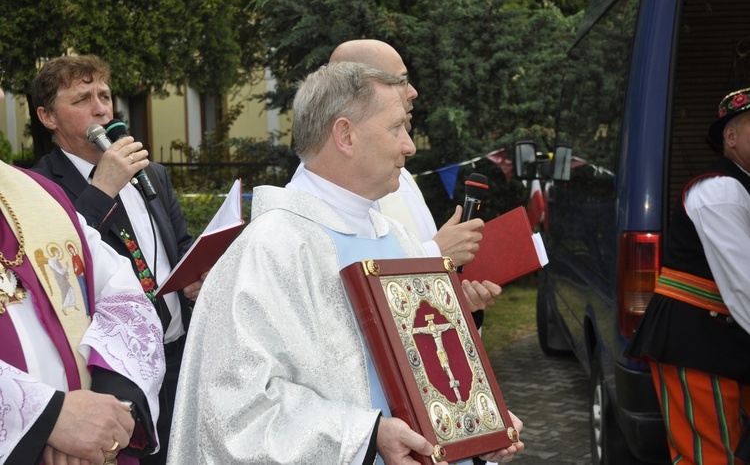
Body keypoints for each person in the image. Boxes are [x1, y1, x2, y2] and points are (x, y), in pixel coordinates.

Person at [168, 62, 524, 464]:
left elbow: (431, 368)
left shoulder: (398, 238)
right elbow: (234, 417)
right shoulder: (270, 249)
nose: (409, 146)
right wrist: (366, 437)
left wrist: (477, 429)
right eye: (396, 129)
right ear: (345, 135)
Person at [29, 55, 204, 465]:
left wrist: (198, 277)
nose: (101, 108)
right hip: (114, 375)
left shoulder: (152, 175)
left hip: (180, 357)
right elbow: (58, 271)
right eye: (83, 98)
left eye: (105, 96)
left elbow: (179, 248)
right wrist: (103, 187)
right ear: (47, 116)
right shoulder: (39, 187)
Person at [0, 80, 165, 463]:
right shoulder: (54, 179)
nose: (101, 109)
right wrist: (45, 418)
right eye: (82, 99)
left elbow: (123, 294)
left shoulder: (38, 195)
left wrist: (109, 406)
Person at [326, 39, 502, 321]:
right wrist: (437, 253)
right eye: (401, 81)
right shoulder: (340, 186)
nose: (413, 92)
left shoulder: (400, 173)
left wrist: (459, 300)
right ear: (361, 89)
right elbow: (348, 300)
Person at [625, 87, 750, 464]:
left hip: (726, 343)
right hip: (697, 340)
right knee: (708, 457)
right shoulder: (720, 190)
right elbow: (744, 285)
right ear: (730, 137)